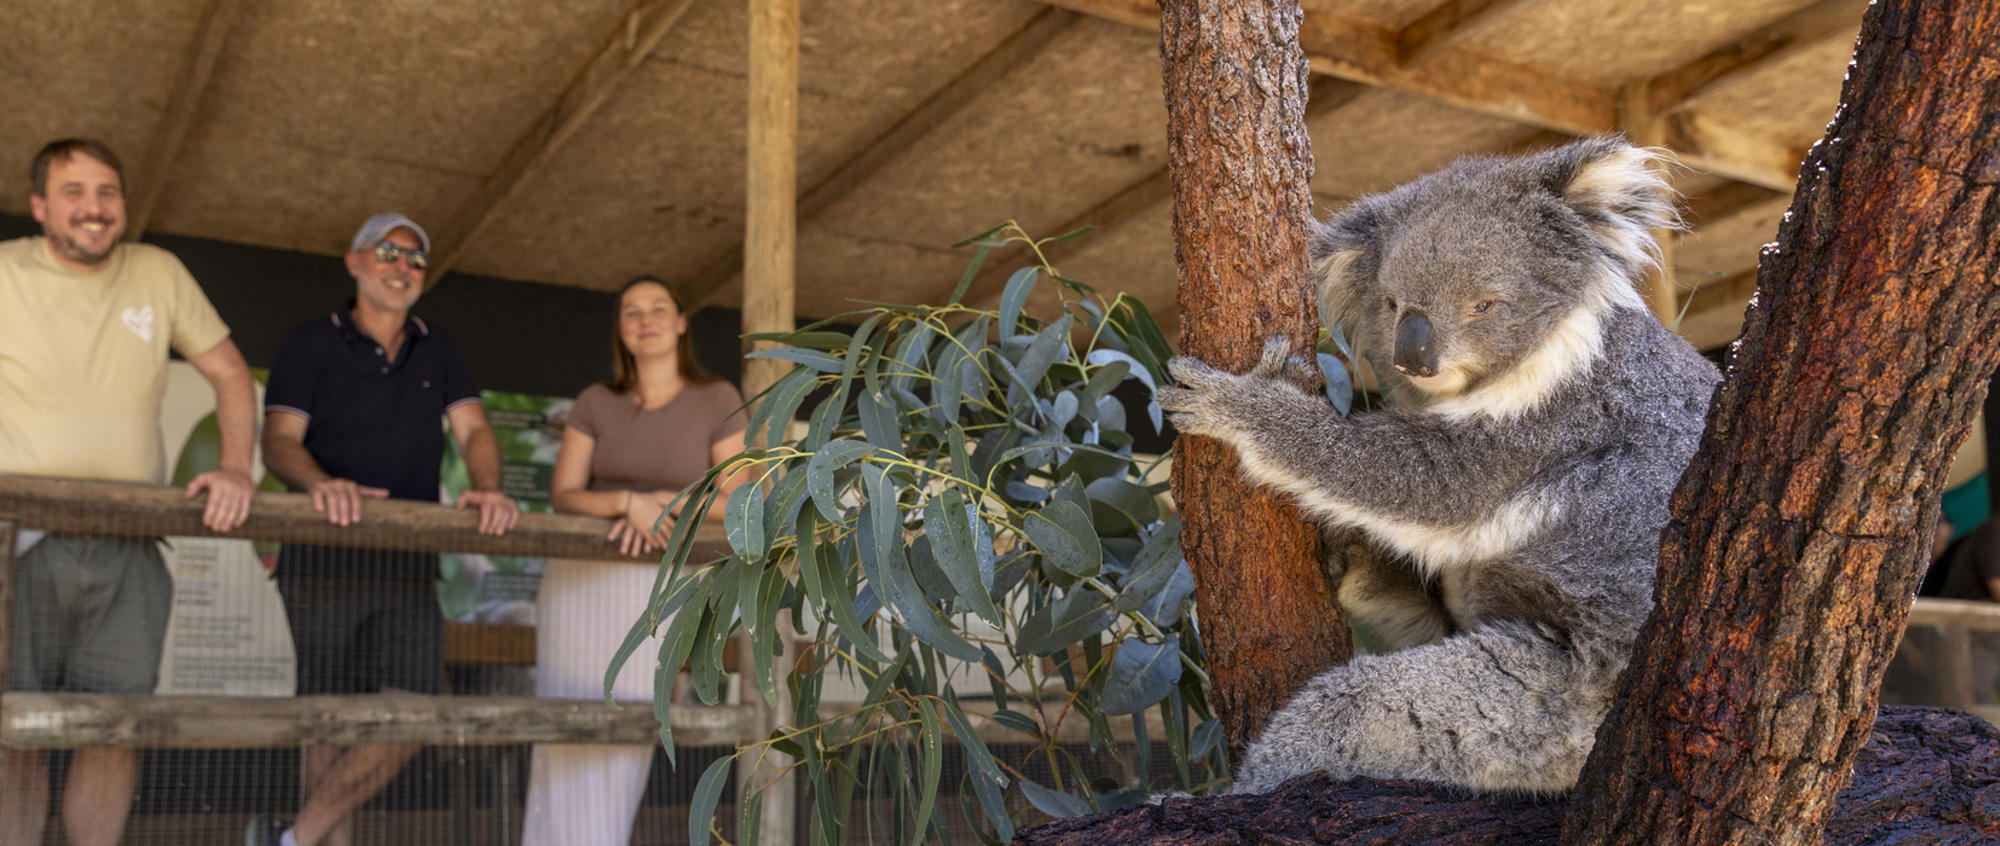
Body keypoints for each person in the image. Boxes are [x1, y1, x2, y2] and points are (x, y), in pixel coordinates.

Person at [0, 138, 257, 846]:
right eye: (75, 192)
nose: (94, 208)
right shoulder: (3, 272)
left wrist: (236, 469)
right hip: (16, 546)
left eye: (108, 192)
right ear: (40, 206)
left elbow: (234, 376)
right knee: (13, 730)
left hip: (131, 547)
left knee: (116, 731)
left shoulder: (158, 271)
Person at [248, 213, 519, 846]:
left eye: (415, 259)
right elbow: (278, 443)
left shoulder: (438, 346)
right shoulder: (308, 342)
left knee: (413, 715)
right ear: (355, 262)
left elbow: (475, 430)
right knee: (328, 725)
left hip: (405, 563)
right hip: (320, 559)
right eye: (389, 253)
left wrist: (489, 487)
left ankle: (293, 840)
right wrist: (321, 484)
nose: (402, 268)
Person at [521, 275, 749, 845]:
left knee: (629, 727)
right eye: (630, 312)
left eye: (658, 309)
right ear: (620, 330)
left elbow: (743, 500)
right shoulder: (596, 401)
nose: (645, 320)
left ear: (679, 324)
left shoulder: (717, 398)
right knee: (564, 721)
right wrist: (624, 502)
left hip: (661, 585)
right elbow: (566, 494)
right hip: (581, 579)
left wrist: (663, 507)